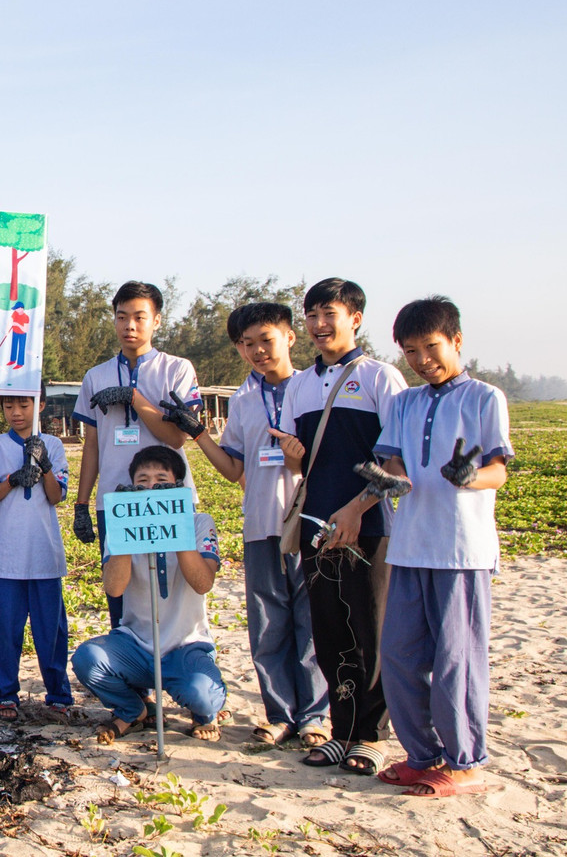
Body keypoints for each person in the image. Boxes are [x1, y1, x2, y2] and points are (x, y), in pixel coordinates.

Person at [365, 297, 510, 797]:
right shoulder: (404, 403)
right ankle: (422, 755)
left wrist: (470, 478)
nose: (423, 359)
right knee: (401, 656)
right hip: (408, 547)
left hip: (461, 551)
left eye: (432, 347)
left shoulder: (485, 398)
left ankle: (464, 761)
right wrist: (390, 480)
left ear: (456, 341)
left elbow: (499, 469)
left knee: (456, 661)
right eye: (411, 350)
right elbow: (397, 464)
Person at [273, 277, 407, 775]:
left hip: (369, 525)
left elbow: (395, 464)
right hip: (317, 526)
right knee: (328, 629)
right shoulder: (302, 385)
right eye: (312, 315)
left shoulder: (381, 378)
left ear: (355, 318)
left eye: (330, 313)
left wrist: (356, 509)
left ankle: (371, 735)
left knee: (370, 627)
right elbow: (301, 468)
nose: (319, 324)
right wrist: (292, 457)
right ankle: (341, 728)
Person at [190, 303, 329, 748]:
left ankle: (314, 716)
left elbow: (323, 460)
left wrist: (298, 457)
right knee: (268, 621)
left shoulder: (315, 389)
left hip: (309, 523)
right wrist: (198, 435)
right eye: (247, 344)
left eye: (266, 340)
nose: (257, 351)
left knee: (311, 620)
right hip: (261, 525)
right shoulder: (243, 400)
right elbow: (234, 469)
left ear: (290, 337)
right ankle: (279, 714)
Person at [71, 446, 227, 742]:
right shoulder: (120, 525)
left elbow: (203, 583)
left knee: (202, 695)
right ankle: (134, 709)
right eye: (142, 482)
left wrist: (175, 525)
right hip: (136, 645)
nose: (151, 488)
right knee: (87, 659)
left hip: (185, 645)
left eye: (161, 480)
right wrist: (127, 528)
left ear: (179, 486)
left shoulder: (199, 522)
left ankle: (205, 712)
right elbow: (114, 588)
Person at [70, 281, 203, 629]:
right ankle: (128, 672)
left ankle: (175, 660)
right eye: (122, 316)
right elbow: (92, 446)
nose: (130, 325)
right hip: (116, 499)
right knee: (120, 593)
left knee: (171, 586)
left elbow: (176, 438)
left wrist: (134, 398)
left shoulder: (177, 370)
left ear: (157, 321)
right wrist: (82, 505)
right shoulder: (95, 376)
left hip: (168, 497)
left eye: (140, 317)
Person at [0, 390, 72, 722]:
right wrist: (13, 479)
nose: (16, 412)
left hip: (45, 553)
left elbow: (56, 495)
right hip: (5, 555)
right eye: (9, 405)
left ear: (40, 405)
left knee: (52, 630)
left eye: (24, 404)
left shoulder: (55, 445)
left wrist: (44, 465)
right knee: (3, 629)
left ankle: (58, 693)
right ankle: (4, 694)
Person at [7, 302, 30, 369]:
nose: (16, 310)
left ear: (21, 308)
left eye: (16, 309)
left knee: (21, 348)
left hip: (22, 334)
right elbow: (11, 321)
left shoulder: (26, 317)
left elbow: (25, 330)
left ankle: (20, 363)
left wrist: (17, 324)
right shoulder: (15, 313)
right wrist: (7, 330)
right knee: (14, 346)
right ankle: (12, 360)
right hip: (15, 332)